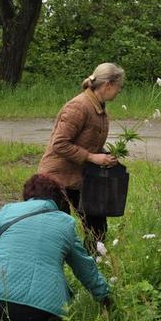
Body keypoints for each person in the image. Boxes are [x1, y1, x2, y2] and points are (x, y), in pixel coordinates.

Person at [0, 174, 110, 321]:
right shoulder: (66, 222)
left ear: (27, 195)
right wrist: (105, 297)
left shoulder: (8, 210)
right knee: (49, 307)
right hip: (39, 309)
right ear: (60, 199)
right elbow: (85, 267)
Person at [38, 63, 123, 252]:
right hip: (57, 179)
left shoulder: (99, 106)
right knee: (61, 231)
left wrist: (105, 155)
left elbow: (88, 142)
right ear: (108, 84)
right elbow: (59, 144)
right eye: (119, 87)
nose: (119, 91)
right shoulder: (78, 106)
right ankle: (60, 271)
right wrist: (92, 157)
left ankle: (95, 266)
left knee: (97, 228)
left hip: (81, 177)